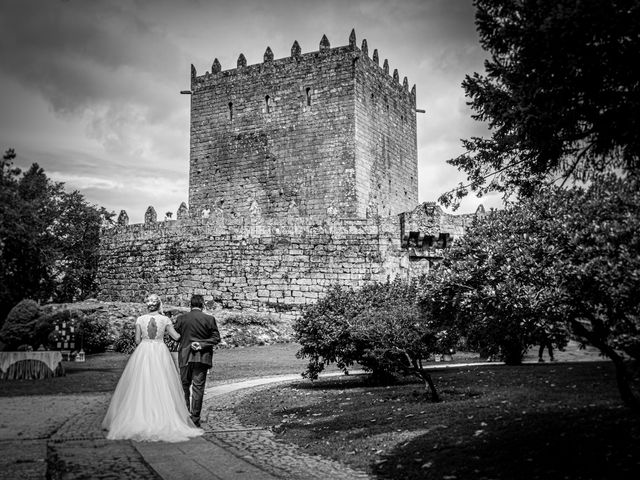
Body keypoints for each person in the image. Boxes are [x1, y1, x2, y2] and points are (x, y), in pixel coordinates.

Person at [102, 294, 202, 442]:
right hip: (160, 351)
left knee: (141, 383)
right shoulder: (165, 319)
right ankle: (162, 416)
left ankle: (139, 415)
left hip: (144, 351)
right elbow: (176, 337)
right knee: (162, 382)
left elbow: (137, 340)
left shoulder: (140, 319)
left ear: (148, 305)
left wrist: (145, 340)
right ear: (159, 304)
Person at [174, 294, 221, 427]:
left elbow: (175, 337)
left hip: (184, 355)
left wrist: (185, 341)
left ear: (191, 304)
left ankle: (185, 415)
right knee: (198, 388)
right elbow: (216, 338)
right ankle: (195, 418)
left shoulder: (181, 319)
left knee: (184, 386)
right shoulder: (209, 319)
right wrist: (201, 344)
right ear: (202, 304)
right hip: (202, 357)